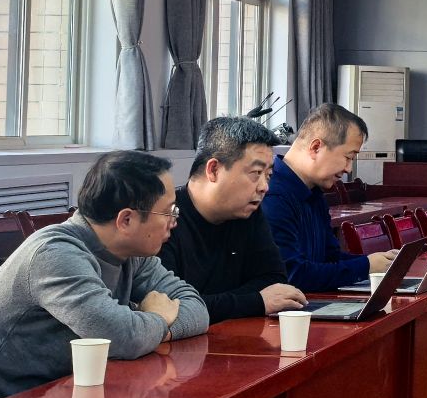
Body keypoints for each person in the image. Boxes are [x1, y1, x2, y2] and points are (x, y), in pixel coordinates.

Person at [0, 151, 209, 398]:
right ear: (126, 220)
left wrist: (154, 327)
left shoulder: (132, 252)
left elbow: (196, 308)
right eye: (168, 212)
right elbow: (121, 337)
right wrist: (159, 317)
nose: (174, 221)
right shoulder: (55, 254)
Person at [162, 116, 309, 321]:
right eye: (256, 173)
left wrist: (217, 303)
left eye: (268, 175)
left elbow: (274, 280)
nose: (264, 187)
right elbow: (169, 308)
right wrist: (255, 301)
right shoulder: (164, 219)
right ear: (213, 170)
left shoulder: (247, 213)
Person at [262, 104, 392, 293]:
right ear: (316, 147)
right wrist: (365, 266)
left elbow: (328, 258)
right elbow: (292, 274)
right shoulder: (272, 195)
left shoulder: (314, 192)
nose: (348, 169)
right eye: (348, 157)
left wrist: (378, 262)